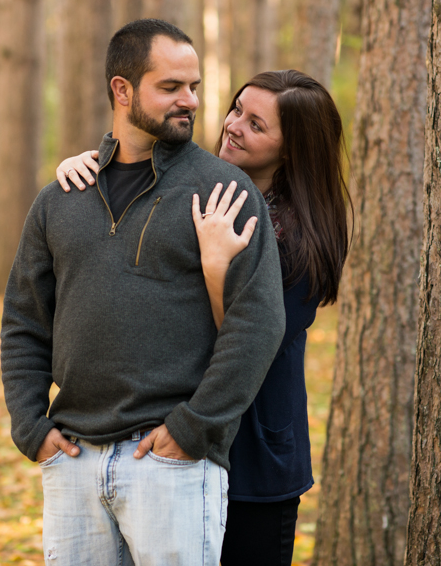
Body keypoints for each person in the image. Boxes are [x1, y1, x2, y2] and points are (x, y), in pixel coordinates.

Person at [0, 19, 287, 566]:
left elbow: (258, 323)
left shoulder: (223, 191)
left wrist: (193, 429)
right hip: (73, 458)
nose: (190, 102)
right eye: (171, 87)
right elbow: (24, 322)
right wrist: (30, 426)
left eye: (195, 87)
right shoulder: (61, 198)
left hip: (170, 464)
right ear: (122, 89)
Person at [57, 69, 351, 565]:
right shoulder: (200, 187)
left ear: (294, 149)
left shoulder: (303, 237)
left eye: (257, 125)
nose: (234, 125)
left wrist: (217, 267)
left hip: (253, 457)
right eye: (238, 109)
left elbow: (251, 336)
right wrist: (91, 169)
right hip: (165, 444)